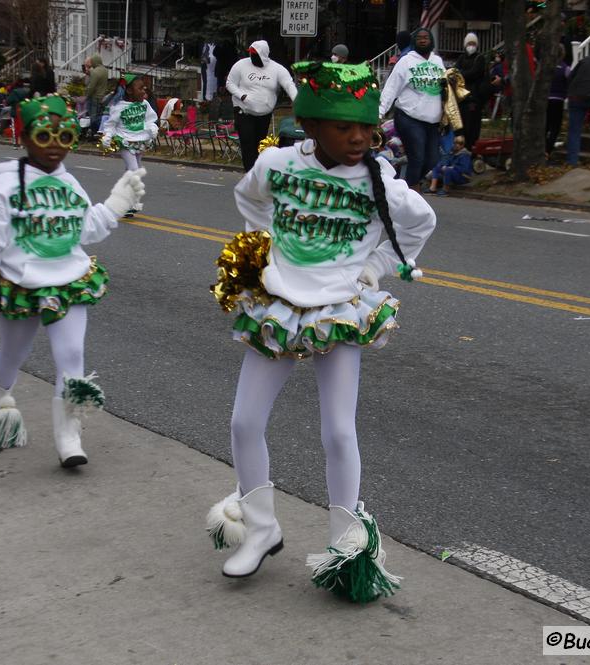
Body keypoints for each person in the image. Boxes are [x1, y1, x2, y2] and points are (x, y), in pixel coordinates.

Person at [206, 61, 435, 603]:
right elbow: (249, 197)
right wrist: (262, 248)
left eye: (367, 127)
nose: (358, 138)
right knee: (244, 421)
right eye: (342, 126)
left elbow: (422, 223)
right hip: (280, 305)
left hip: (339, 309)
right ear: (310, 125)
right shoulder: (280, 164)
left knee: (337, 430)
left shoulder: (379, 180)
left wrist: (374, 267)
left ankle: (344, 546)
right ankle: (261, 528)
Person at [0, 95, 147, 467]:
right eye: (45, 136)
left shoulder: (70, 183)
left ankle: (68, 436)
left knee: (72, 355)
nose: (56, 147)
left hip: (67, 282)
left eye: (65, 136)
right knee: (13, 354)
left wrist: (115, 203)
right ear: (25, 137)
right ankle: (1, 403)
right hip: (20, 285)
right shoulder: (5, 187)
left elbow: (86, 230)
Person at [379, 28, 446, 190]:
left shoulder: (438, 61)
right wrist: (379, 112)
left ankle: (405, 187)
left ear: (431, 41)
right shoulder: (406, 61)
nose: (423, 40)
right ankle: (412, 192)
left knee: (432, 159)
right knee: (417, 156)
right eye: (419, 38)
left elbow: (446, 89)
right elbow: (391, 89)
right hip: (409, 118)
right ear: (414, 42)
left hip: (433, 121)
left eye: (426, 38)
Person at [225, 40, 298, 171]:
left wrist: (297, 101)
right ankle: (250, 172)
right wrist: (242, 95)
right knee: (247, 142)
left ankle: (258, 171)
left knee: (260, 144)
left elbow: (289, 84)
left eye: (255, 54)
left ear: (263, 55)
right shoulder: (240, 65)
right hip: (244, 110)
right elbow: (230, 83)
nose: (252, 57)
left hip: (264, 113)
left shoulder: (277, 69)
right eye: (251, 54)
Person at [101, 73, 158, 216]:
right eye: (140, 89)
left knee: (133, 170)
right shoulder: (118, 107)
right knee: (134, 170)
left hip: (140, 141)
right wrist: (107, 136)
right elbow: (111, 124)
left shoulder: (144, 104)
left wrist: (152, 128)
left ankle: (127, 203)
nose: (144, 91)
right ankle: (129, 202)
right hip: (125, 141)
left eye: (144, 88)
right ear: (129, 91)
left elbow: (150, 119)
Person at [454, 32, 487, 149]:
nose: (471, 46)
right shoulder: (461, 58)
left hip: (474, 99)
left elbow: (475, 73)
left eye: (473, 43)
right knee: (460, 128)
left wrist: (462, 74)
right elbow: (455, 73)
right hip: (461, 99)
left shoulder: (480, 58)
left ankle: (471, 151)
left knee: (472, 128)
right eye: (469, 43)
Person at [546, 47, 571, 157]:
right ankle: (548, 149)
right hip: (559, 100)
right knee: (555, 126)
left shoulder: (546, 67)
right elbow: (570, 81)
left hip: (546, 99)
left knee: (546, 125)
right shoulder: (565, 68)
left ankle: (543, 147)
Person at [84, 54, 109, 138]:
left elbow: (92, 86)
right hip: (102, 96)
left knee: (93, 117)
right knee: (100, 115)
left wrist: (87, 96)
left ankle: (96, 133)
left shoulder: (95, 72)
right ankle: (100, 131)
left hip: (94, 97)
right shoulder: (105, 70)